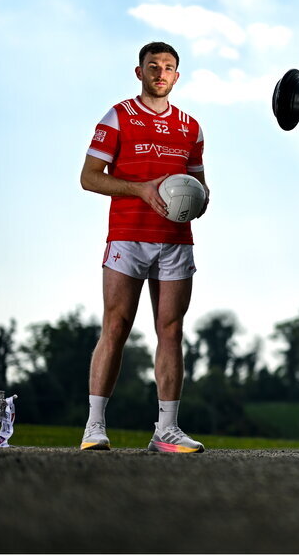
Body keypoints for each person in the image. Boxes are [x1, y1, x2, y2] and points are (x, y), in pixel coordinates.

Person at [79, 41, 208, 453]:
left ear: (177, 76)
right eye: (153, 66)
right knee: (115, 326)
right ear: (140, 72)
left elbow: (199, 185)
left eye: (168, 67)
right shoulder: (118, 116)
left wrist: (199, 200)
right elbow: (89, 177)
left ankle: (166, 430)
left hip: (175, 241)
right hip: (128, 236)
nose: (160, 73)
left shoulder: (191, 127)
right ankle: (94, 426)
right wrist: (139, 189)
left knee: (171, 330)